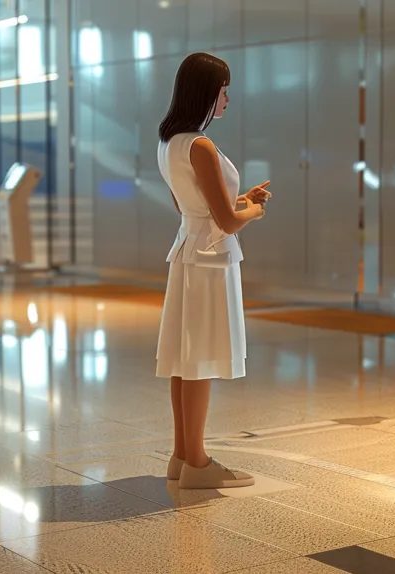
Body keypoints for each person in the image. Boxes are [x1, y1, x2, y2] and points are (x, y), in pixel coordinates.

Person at [156, 52, 271, 489]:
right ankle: (199, 464)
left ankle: (182, 456)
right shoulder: (200, 145)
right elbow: (225, 221)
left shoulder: (170, 142)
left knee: (184, 359)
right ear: (206, 92)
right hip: (210, 258)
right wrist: (253, 211)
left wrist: (241, 202)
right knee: (200, 358)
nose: (227, 99)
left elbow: (193, 207)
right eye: (223, 91)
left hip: (188, 250)